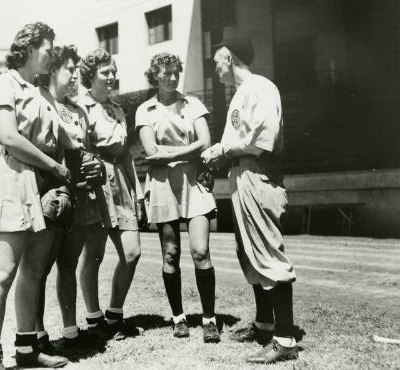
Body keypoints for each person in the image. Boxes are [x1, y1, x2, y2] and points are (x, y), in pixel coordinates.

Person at [0, 23, 84, 369]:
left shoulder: (42, 92)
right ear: (30, 47)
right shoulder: (4, 83)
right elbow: (8, 137)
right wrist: (56, 166)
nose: (52, 54)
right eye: (49, 48)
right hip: (15, 180)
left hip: (45, 186)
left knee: (34, 271)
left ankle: (26, 351)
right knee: (3, 272)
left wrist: (78, 159)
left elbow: (67, 139)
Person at [201, 36, 298, 363]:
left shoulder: (261, 87)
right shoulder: (242, 92)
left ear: (229, 57)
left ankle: (284, 340)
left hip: (258, 173)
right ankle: (264, 323)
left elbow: (264, 138)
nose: (214, 65)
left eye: (217, 59)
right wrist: (222, 153)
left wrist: (223, 149)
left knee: (267, 254)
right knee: (250, 255)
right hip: (242, 175)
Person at [136, 52, 220, 343]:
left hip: (194, 182)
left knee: (201, 252)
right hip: (162, 185)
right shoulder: (144, 110)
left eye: (175, 72)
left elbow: (205, 143)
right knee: (170, 254)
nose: (172, 78)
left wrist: (169, 153)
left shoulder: (193, 103)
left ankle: (209, 320)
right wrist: (183, 151)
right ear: (154, 75)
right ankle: (179, 317)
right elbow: (150, 152)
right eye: (165, 73)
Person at [32, 45, 106, 355]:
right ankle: (34, 336)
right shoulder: (36, 101)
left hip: (75, 197)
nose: (75, 74)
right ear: (52, 71)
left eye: (77, 69)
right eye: (69, 68)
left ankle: (71, 333)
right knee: (38, 268)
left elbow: (87, 151)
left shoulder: (79, 111)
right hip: (47, 195)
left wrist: (95, 164)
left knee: (68, 264)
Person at [66, 48, 144, 340]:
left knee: (132, 252)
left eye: (113, 71)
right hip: (95, 181)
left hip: (120, 181)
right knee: (94, 255)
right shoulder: (79, 107)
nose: (112, 76)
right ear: (91, 75)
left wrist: (137, 192)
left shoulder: (118, 108)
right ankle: (95, 318)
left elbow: (126, 155)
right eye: (105, 72)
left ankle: (114, 314)